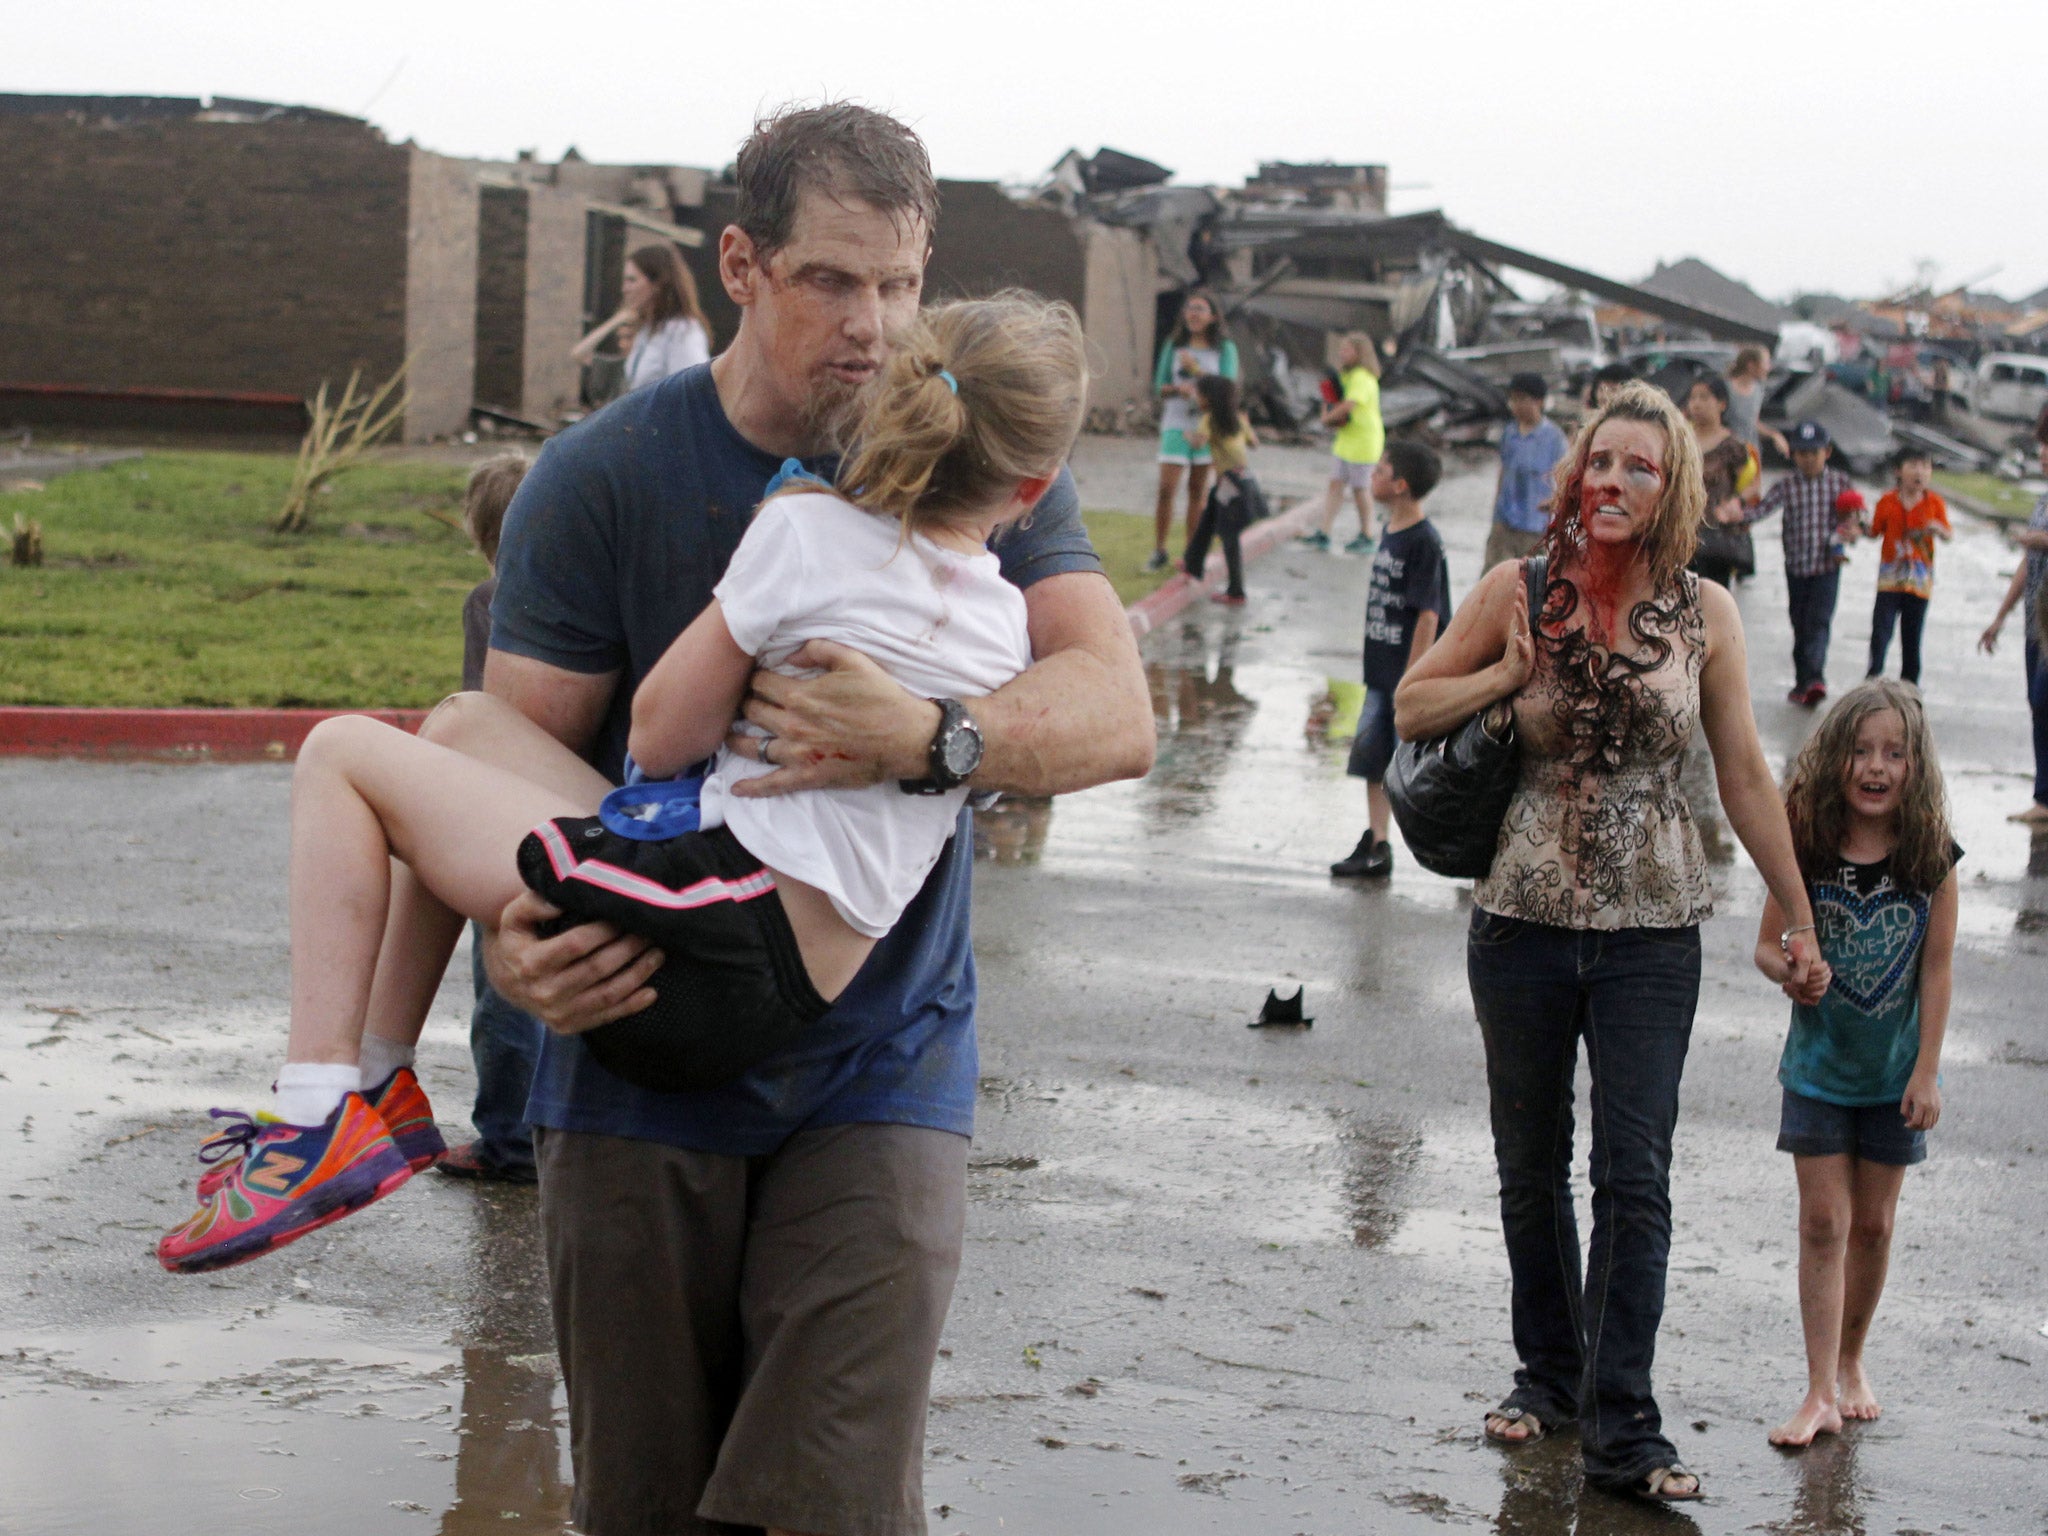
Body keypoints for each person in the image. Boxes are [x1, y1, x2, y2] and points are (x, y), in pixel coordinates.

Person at [490, 105, 1152, 1536]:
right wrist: (508, 942)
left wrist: (934, 738)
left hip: (881, 1060)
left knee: (835, 1504)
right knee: (645, 1505)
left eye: (903, 282)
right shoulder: (599, 478)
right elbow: (513, 764)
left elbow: (1118, 713)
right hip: (636, 1044)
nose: (876, 324)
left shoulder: (975, 457)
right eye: (833, 282)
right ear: (740, 262)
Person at [156, 294, 1084, 1285]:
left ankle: (314, 1112)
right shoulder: (1006, 632)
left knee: (341, 752)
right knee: (460, 729)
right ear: (1031, 488)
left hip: (710, 949)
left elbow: (658, 734)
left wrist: (760, 586)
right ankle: (380, 1088)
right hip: (787, 967)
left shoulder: (806, 534)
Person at [1394, 381, 1829, 1504]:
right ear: (1572, 476)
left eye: (1638, 467)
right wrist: (1500, 674)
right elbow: (1408, 708)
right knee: (1529, 1170)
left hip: (1650, 931)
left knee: (1632, 1179)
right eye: (1598, 462)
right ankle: (1545, 1377)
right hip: (1519, 922)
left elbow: (1739, 772)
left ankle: (1622, 1429)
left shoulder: (1705, 613)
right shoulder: (1517, 590)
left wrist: (1794, 910)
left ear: (1672, 487)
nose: (1609, 482)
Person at [1753, 679, 1957, 1448]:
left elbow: (1937, 970)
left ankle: (1851, 1360)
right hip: (1816, 1069)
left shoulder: (1931, 854)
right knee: (1822, 1221)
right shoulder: (1805, 840)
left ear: (1915, 765)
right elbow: (1766, 946)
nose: (1877, 767)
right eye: (1864, 751)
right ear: (1837, 757)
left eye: (1895, 753)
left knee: (1871, 1225)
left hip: (1893, 1075)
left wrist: (1927, 1071)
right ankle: (1815, 1393)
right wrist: (1791, 971)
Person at [444, 454, 546, 1183]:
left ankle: (506, 1139)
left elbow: (476, 710)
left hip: (505, 814)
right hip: (577, 803)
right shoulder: (579, 594)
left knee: (504, 983)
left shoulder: (490, 600)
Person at [1330, 441, 1447, 879]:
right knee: (1372, 757)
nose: (1372, 475)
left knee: (1413, 770)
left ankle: (1453, 845)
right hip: (1381, 672)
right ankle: (1377, 843)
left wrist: (1412, 679)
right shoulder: (1391, 530)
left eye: (1380, 470)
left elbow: (1429, 613)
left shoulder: (1424, 543)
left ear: (1400, 485)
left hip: (1403, 675)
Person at [1740, 420, 1865, 705]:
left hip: (1826, 567)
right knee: (1800, 624)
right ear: (1793, 455)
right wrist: (1735, 518)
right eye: (1802, 453)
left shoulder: (1839, 483)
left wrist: (1855, 528)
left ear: (1827, 452)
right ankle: (1802, 681)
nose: (1808, 459)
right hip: (1796, 567)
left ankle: (1816, 679)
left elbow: (1857, 515)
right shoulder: (1787, 485)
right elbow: (1763, 509)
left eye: (1814, 453)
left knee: (1819, 622)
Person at [1977, 418, 2048, 823]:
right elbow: (2027, 565)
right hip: (2035, 624)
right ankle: (2044, 796)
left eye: (2047, 447)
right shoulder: (2042, 501)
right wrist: (1999, 617)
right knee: (2038, 707)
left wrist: (2040, 541)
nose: (2042, 454)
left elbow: (2038, 545)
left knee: (2044, 699)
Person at [1149, 289, 1239, 571]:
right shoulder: (1174, 346)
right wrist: (1177, 389)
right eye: (1189, 308)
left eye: (1200, 308)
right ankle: (1159, 549)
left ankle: (1191, 554)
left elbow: (1226, 389)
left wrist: (1197, 371)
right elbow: (1159, 387)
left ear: (1213, 316)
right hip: (1175, 425)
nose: (1193, 313)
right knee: (1166, 489)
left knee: (1197, 491)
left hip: (1206, 429)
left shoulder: (1224, 349)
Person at [1859, 448, 1951, 685]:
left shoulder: (1935, 503)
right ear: (1898, 471)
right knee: (1881, 631)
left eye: (1925, 466)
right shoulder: (1887, 501)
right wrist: (1857, 524)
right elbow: (1874, 531)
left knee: (1912, 637)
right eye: (1913, 465)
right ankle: (1873, 676)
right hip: (1890, 580)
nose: (1919, 472)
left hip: (1919, 583)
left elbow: (1948, 533)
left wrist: (1937, 528)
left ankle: (1910, 686)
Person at [572, 242, 714, 393]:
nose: (624, 289)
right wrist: (618, 319)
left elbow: (693, 391)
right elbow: (578, 354)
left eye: (632, 280)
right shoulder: (648, 331)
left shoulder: (682, 331)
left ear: (657, 284)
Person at [1180, 372, 1263, 605]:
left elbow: (1199, 443)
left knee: (1228, 535)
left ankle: (1236, 591)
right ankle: (1192, 564)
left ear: (1209, 398)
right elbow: (1254, 444)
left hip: (1229, 483)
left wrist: (1188, 436)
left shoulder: (1209, 420)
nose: (1197, 397)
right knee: (1208, 521)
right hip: (1243, 480)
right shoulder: (1238, 419)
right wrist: (1246, 424)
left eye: (1199, 393)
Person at [1300, 332, 1386, 553]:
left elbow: (1349, 404)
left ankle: (1367, 533)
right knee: (1335, 486)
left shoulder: (1362, 377)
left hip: (1363, 441)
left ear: (1360, 353)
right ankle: (1324, 531)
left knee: (1360, 488)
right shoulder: (1347, 376)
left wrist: (1327, 418)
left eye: (1347, 349)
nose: (1341, 353)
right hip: (1347, 438)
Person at [1484, 373, 1568, 573]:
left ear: (1539, 401)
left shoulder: (1554, 438)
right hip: (1504, 521)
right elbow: (1503, 473)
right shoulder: (1509, 433)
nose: (1516, 405)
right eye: (1513, 399)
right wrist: (1496, 512)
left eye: (1522, 399)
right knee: (1494, 577)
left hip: (1535, 525)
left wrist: (1556, 505)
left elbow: (1565, 478)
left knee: (1531, 582)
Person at [1684, 374, 1758, 589]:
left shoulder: (1732, 445)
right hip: (1681, 534)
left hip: (1716, 536)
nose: (1696, 404)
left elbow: (1754, 484)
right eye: (1693, 398)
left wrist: (1736, 502)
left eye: (1704, 397)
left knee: (1712, 599)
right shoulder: (1680, 439)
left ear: (1722, 404)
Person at [1726, 345, 1790, 459]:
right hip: (1728, 453)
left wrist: (1774, 435)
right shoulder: (1726, 388)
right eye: (1766, 363)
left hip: (1751, 454)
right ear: (1751, 365)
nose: (1769, 368)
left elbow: (1752, 422)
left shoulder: (1758, 389)